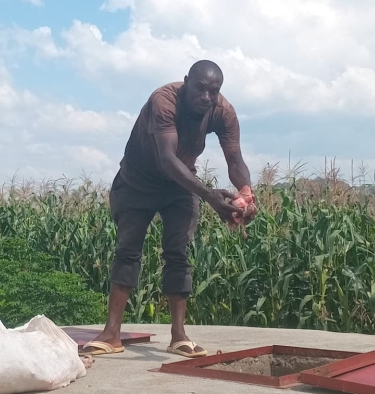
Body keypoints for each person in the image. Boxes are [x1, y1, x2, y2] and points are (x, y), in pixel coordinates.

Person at [83, 60, 256, 359]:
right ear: (187, 81)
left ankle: (179, 336)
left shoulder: (223, 111)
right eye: (200, 88)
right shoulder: (164, 100)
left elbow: (235, 159)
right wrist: (209, 196)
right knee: (128, 251)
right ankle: (111, 334)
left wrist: (246, 193)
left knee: (178, 253)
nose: (206, 97)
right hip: (137, 182)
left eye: (213, 91)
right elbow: (167, 158)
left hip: (181, 186)